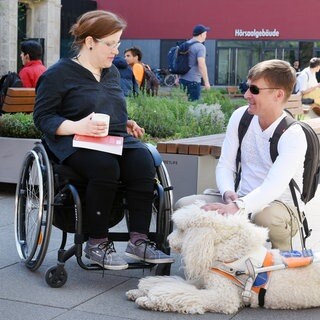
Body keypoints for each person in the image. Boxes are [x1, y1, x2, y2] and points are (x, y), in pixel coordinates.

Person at [33, 10, 174, 270]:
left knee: (143, 159)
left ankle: (139, 241)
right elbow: (43, 117)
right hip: (74, 141)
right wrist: (77, 126)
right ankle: (97, 243)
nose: (116, 51)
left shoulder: (109, 73)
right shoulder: (58, 75)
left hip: (112, 138)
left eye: (118, 44)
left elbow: (109, 106)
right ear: (89, 42)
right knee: (105, 166)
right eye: (110, 44)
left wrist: (126, 122)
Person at [175, 59, 306, 251]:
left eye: (254, 90)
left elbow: (273, 186)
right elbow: (226, 164)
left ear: (278, 94)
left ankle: (285, 259)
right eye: (246, 87)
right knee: (184, 206)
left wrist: (239, 206)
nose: (246, 95)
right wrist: (228, 192)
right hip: (239, 198)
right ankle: (211, 265)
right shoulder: (241, 117)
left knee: (263, 217)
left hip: (279, 206)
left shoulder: (292, 134)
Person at [179, 24, 211, 101]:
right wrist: (206, 82)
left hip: (182, 80)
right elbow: (201, 65)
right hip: (193, 81)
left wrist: (178, 77)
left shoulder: (185, 44)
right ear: (201, 34)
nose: (206, 36)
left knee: (183, 105)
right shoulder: (200, 47)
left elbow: (179, 61)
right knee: (194, 106)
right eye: (205, 34)